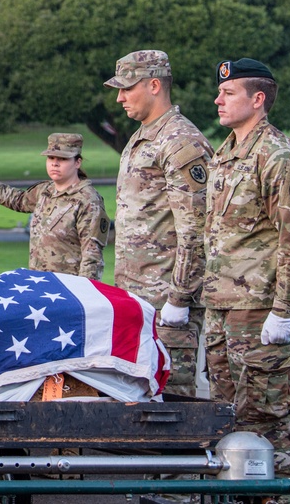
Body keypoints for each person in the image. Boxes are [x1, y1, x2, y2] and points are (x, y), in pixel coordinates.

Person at [202, 58, 290, 503]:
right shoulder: (225, 152)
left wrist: (284, 311)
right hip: (221, 310)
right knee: (230, 428)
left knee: (269, 430)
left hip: (260, 315)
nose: (217, 99)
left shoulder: (279, 156)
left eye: (228, 94)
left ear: (258, 99)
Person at [104, 50, 213, 397]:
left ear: (154, 85)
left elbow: (195, 230)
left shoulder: (180, 141)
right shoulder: (141, 137)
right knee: (140, 402)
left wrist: (179, 299)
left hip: (166, 304)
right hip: (137, 299)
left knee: (171, 404)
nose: (120, 97)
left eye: (127, 88)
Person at [0, 133, 109, 281]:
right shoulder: (44, 191)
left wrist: (84, 296)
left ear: (77, 162)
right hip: (38, 285)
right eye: (51, 158)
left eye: (62, 159)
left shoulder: (88, 201)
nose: (54, 163)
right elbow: (16, 199)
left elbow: (92, 256)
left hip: (66, 290)